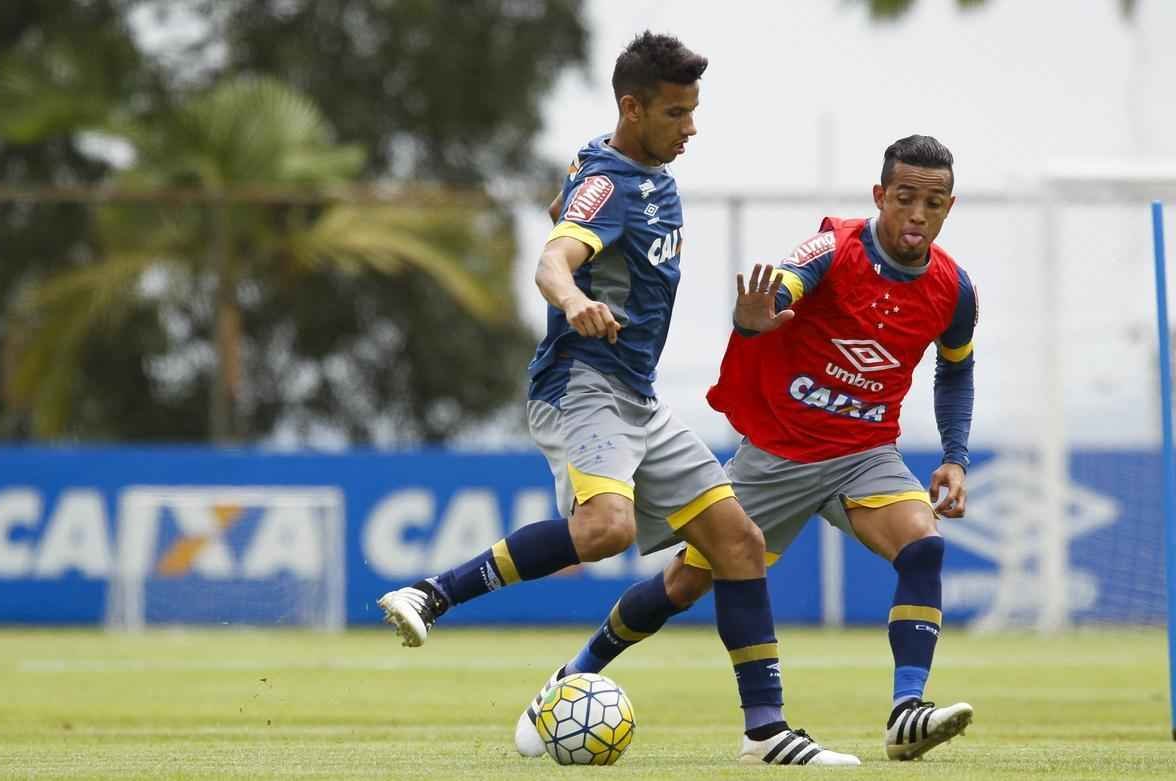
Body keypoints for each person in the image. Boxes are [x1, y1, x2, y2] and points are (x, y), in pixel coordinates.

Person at [378, 31, 859, 767]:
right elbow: (552, 258)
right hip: (583, 386)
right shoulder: (609, 182)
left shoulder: (623, 170)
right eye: (676, 113)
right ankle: (430, 594)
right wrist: (573, 299)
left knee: (738, 544)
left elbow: (560, 207)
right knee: (606, 526)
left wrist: (570, 217)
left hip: (637, 395)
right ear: (632, 109)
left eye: (694, 110)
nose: (691, 127)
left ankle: (766, 732)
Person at [515, 134, 977, 762]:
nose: (918, 214)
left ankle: (906, 712)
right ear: (880, 196)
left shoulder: (954, 290)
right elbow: (780, 289)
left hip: (865, 452)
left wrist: (954, 454)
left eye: (933, 202)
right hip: (778, 455)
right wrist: (756, 317)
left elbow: (955, 369)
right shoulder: (835, 248)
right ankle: (575, 672)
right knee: (681, 585)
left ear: (949, 206)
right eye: (905, 198)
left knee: (923, 545)